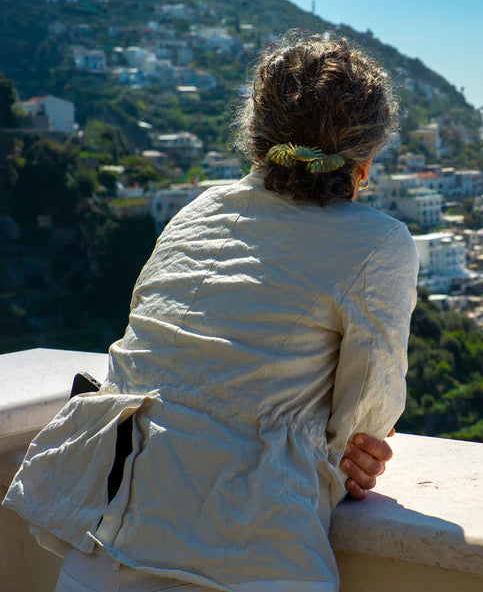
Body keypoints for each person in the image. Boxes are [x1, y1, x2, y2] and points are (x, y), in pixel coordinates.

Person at [3, 33, 420, 592]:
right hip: (246, 549)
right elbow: (366, 420)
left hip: (102, 538)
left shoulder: (197, 209)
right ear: (364, 161)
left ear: (254, 134)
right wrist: (347, 448)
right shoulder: (379, 243)